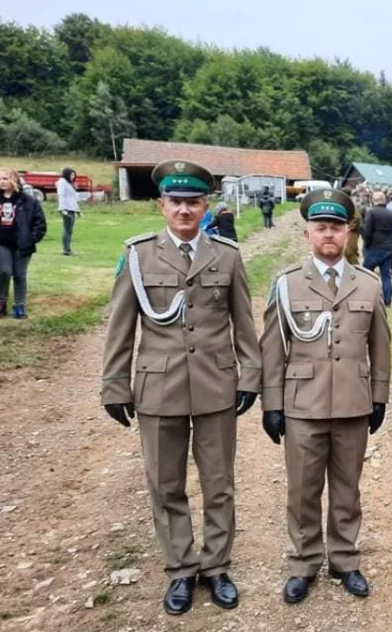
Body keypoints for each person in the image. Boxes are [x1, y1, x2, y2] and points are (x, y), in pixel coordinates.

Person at [100, 160, 261, 616]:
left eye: (193, 202)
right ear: (162, 205)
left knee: (219, 483)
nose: (184, 210)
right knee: (165, 484)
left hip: (215, 386)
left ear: (205, 206)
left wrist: (250, 375)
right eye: (176, 202)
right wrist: (115, 384)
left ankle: (216, 567)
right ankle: (179, 570)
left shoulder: (227, 255)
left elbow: (244, 324)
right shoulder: (138, 254)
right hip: (158, 388)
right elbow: (120, 327)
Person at [259, 188, 391, 603]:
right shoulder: (287, 285)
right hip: (303, 406)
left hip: (353, 402)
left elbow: (380, 345)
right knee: (303, 489)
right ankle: (303, 562)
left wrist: (381, 396)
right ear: (307, 235)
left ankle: (345, 559)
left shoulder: (367, 284)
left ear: (348, 233)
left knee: (347, 487)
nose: (329, 235)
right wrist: (272, 404)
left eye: (336, 227)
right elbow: (271, 348)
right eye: (321, 228)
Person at [0, 167, 46, 319]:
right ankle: (1, 302)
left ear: (14, 180)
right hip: (2, 243)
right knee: (4, 271)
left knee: (19, 275)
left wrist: (31, 239)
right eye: (0, 179)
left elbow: (40, 224)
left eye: (5, 178)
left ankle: (19, 306)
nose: (2, 182)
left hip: (22, 244)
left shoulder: (28, 200)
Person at [361, 191, 392, 307]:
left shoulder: (371, 213)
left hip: (374, 247)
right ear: (385, 200)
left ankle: (365, 297)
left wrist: (366, 244)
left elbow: (367, 231)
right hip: (388, 248)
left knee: (366, 274)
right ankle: (387, 301)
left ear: (373, 200)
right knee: (386, 276)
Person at [56, 167, 80, 256]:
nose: (73, 177)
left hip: (72, 209)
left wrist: (78, 210)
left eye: (74, 175)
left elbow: (73, 198)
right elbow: (61, 196)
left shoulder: (69, 184)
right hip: (66, 209)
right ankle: (66, 250)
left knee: (69, 230)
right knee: (67, 229)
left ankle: (68, 249)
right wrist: (63, 209)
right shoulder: (62, 183)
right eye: (71, 175)